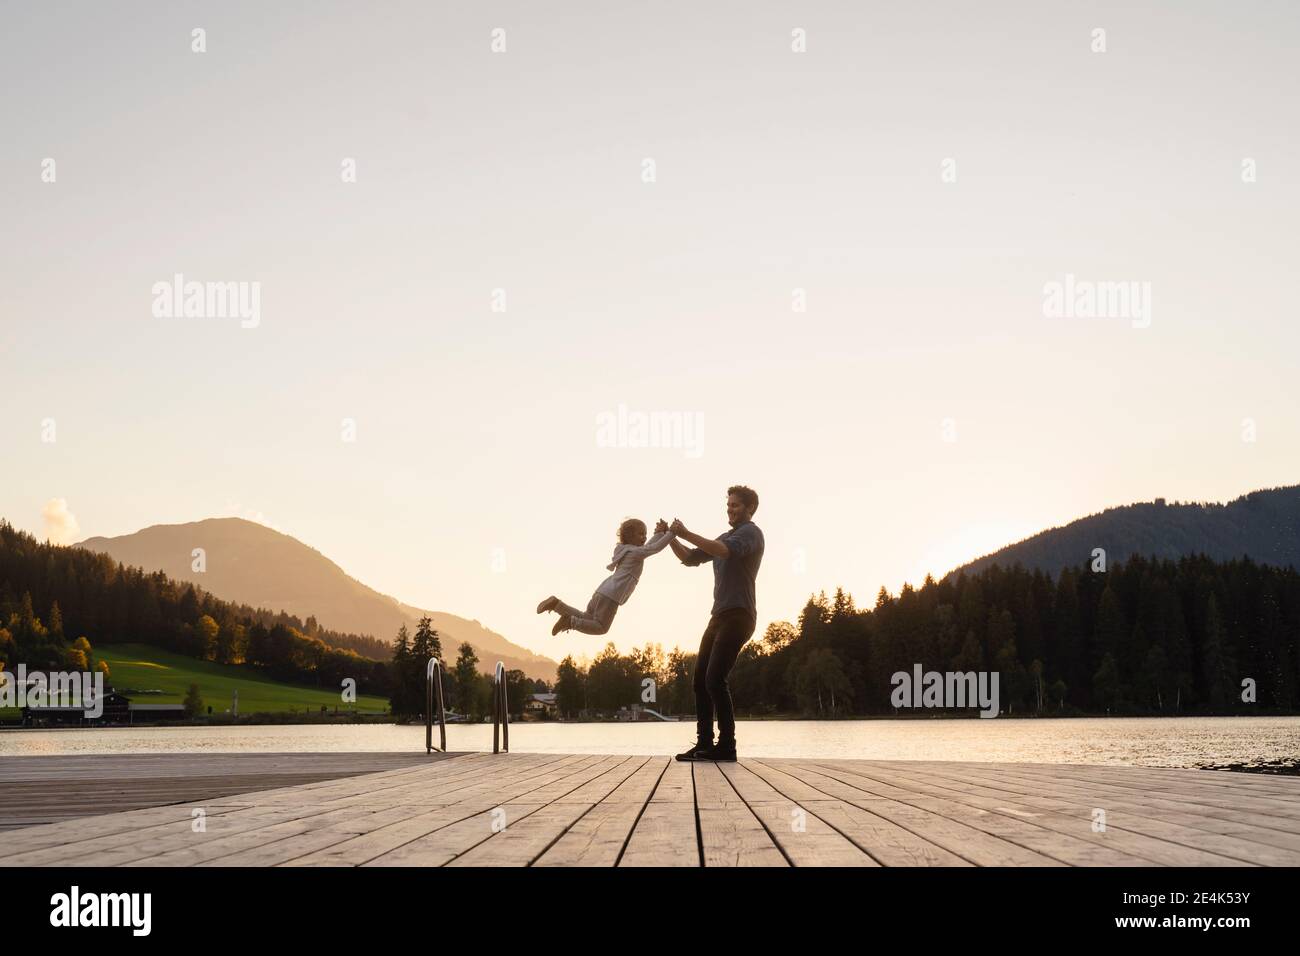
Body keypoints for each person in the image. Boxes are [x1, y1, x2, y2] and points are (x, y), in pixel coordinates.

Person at [669, 485, 764, 762]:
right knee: (700, 681)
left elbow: (722, 551)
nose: (730, 509)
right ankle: (704, 744)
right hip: (718, 616)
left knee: (715, 679)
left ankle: (727, 746)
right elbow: (689, 558)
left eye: (735, 505)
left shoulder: (751, 534)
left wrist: (685, 532)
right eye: (728, 505)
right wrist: (670, 537)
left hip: (739, 615)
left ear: (750, 509)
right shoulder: (724, 537)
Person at [537, 518, 675, 636]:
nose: (644, 537)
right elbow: (654, 548)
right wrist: (672, 533)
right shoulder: (635, 553)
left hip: (603, 591)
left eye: (645, 534)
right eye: (641, 534)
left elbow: (649, 546)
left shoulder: (626, 550)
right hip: (612, 595)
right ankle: (570, 622)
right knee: (601, 627)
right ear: (630, 537)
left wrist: (659, 533)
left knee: (587, 618)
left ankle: (556, 604)